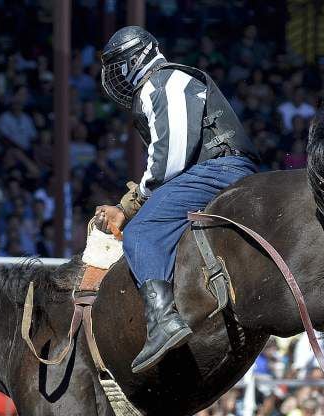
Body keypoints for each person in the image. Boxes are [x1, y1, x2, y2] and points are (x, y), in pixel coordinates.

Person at [94, 26, 259, 373]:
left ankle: (163, 321)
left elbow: (170, 159)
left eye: (115, 66)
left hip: (217, 170)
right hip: (226, 168)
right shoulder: (171, 82)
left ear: (131, 60)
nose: (114, 78)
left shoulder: (162, 82)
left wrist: (131, 205)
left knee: (141, 233)